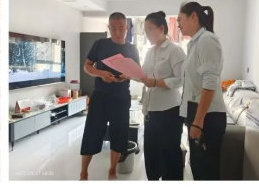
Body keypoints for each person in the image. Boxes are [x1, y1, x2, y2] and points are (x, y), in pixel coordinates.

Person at [80, 12, 140, 180]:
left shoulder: (132, 49)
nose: (118, 32)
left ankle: (112, 171)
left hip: (121, 97)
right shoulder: (100, 44)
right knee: (91, 133)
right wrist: (101, 73)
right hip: (100, 96)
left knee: (119, 134)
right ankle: (83, 173)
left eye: (121, 28)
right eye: (113, 28)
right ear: (109, 28)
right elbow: (87, 66)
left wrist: (128, 75)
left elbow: (137, 73)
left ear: (127, 28)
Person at [178, 2, 226, 180]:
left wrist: (198, 122)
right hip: (198, 113)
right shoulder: (194, 43)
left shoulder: (207, 39)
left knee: (206, 172)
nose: (178, 24)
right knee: (198, 168)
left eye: (180, 19)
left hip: (207, 116)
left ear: (193, 16)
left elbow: (210, 83)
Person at [140, 11, 186, 180]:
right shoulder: (149, 52)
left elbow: (181, 79)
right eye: (145, 31)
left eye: (149, 29)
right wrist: (128, 73)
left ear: (161, 28)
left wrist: (155, 82)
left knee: (170, 157)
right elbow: (143, 74)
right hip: (151, 110)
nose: (147, 34)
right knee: (151, 155)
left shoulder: (175, 51)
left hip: (170, 111)